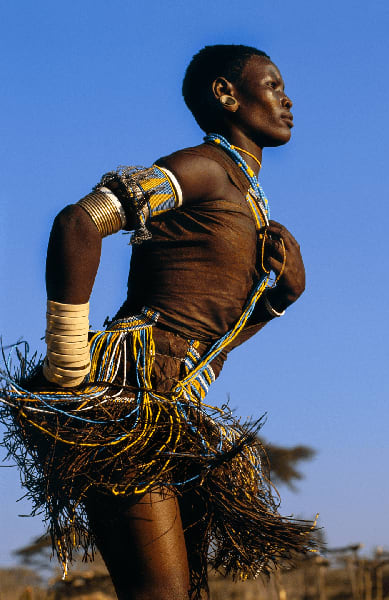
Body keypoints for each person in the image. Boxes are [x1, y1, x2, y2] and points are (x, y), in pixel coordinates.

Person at [1, 45, 313, 600]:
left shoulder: (248, 202)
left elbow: (204, 349)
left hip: (173, 412)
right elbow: (80, 221)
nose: (287, 99)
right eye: (272, 85)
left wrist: (276, 301)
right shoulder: (204, 170)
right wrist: (68, 362)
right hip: (123, 403)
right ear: (226, 95)